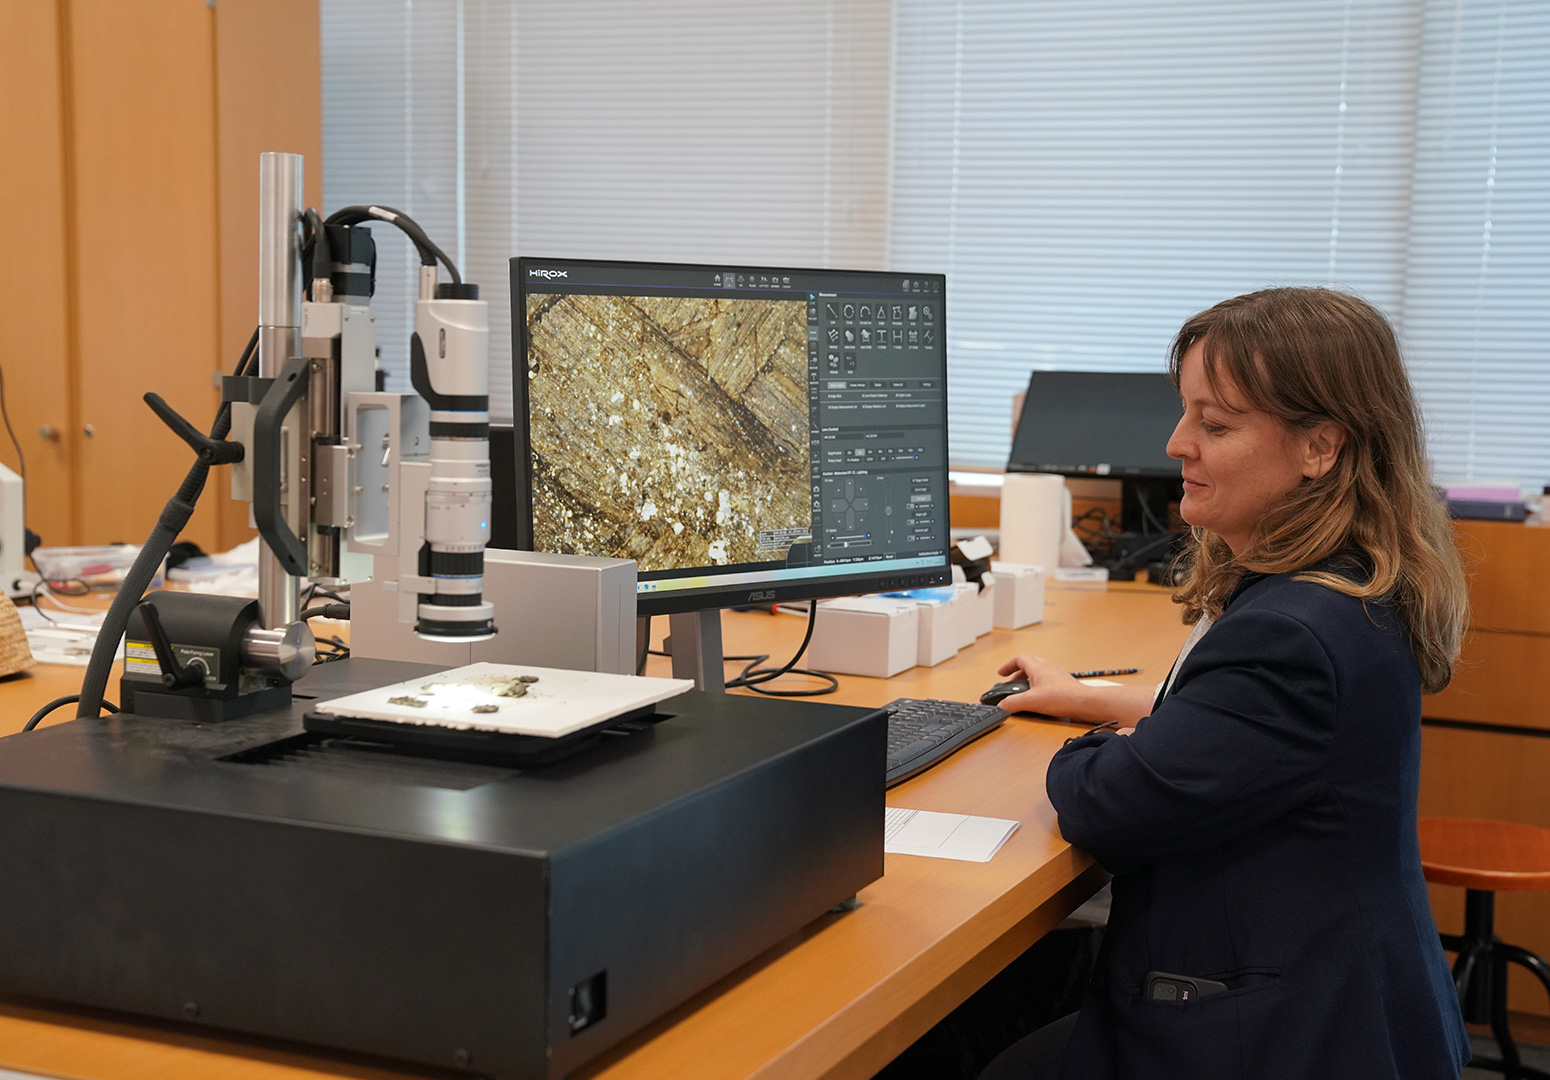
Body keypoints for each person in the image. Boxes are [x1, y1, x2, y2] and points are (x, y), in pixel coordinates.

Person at [982, 287, 1471, 1080]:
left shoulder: (1293, 634)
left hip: (1284, 1034)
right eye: (1186, 413)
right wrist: (1098, 697)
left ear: (1321, 447)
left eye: (1215, 424)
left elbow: (1106, 803)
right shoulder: (1342, 586)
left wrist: (1094, 744)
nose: (1177, 442)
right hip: (1345, 989)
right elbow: (1245, 726)